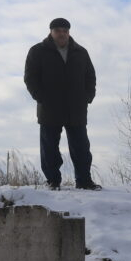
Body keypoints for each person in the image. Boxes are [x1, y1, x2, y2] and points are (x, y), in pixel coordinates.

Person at [23, 17, 101, 190]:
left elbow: (90, 76)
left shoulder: (80, 52)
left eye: (65, 31)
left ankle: (84, 181)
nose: (62, 34)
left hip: (76, 108)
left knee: (81, 147)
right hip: (49, 108)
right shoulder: (38, 51)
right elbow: (30, 78)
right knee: (49, 147)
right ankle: (53, 181)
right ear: (51, 32)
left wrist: (88, 97)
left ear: (69, 32)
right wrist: (41, 98)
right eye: (58, 30)